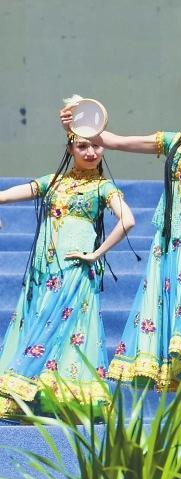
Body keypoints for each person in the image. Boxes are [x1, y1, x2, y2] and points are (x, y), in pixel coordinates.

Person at [60, 59, 181, 410]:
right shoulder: (176, 142)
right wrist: (78, 123)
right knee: (180, 333)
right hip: (169, 244)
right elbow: (116, 141)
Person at [0, 108, 135, 417]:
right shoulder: (53, 182)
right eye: (82, 146)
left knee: (68, 328)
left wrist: (96, 254)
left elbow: (128, 220)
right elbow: (4, 196)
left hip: (75, 268)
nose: (90, 152)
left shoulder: (103, 187)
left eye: (96, 145)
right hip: (45, 270)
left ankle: (59, 398)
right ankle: (31, 395)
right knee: (40, 322)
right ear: (70, 148)